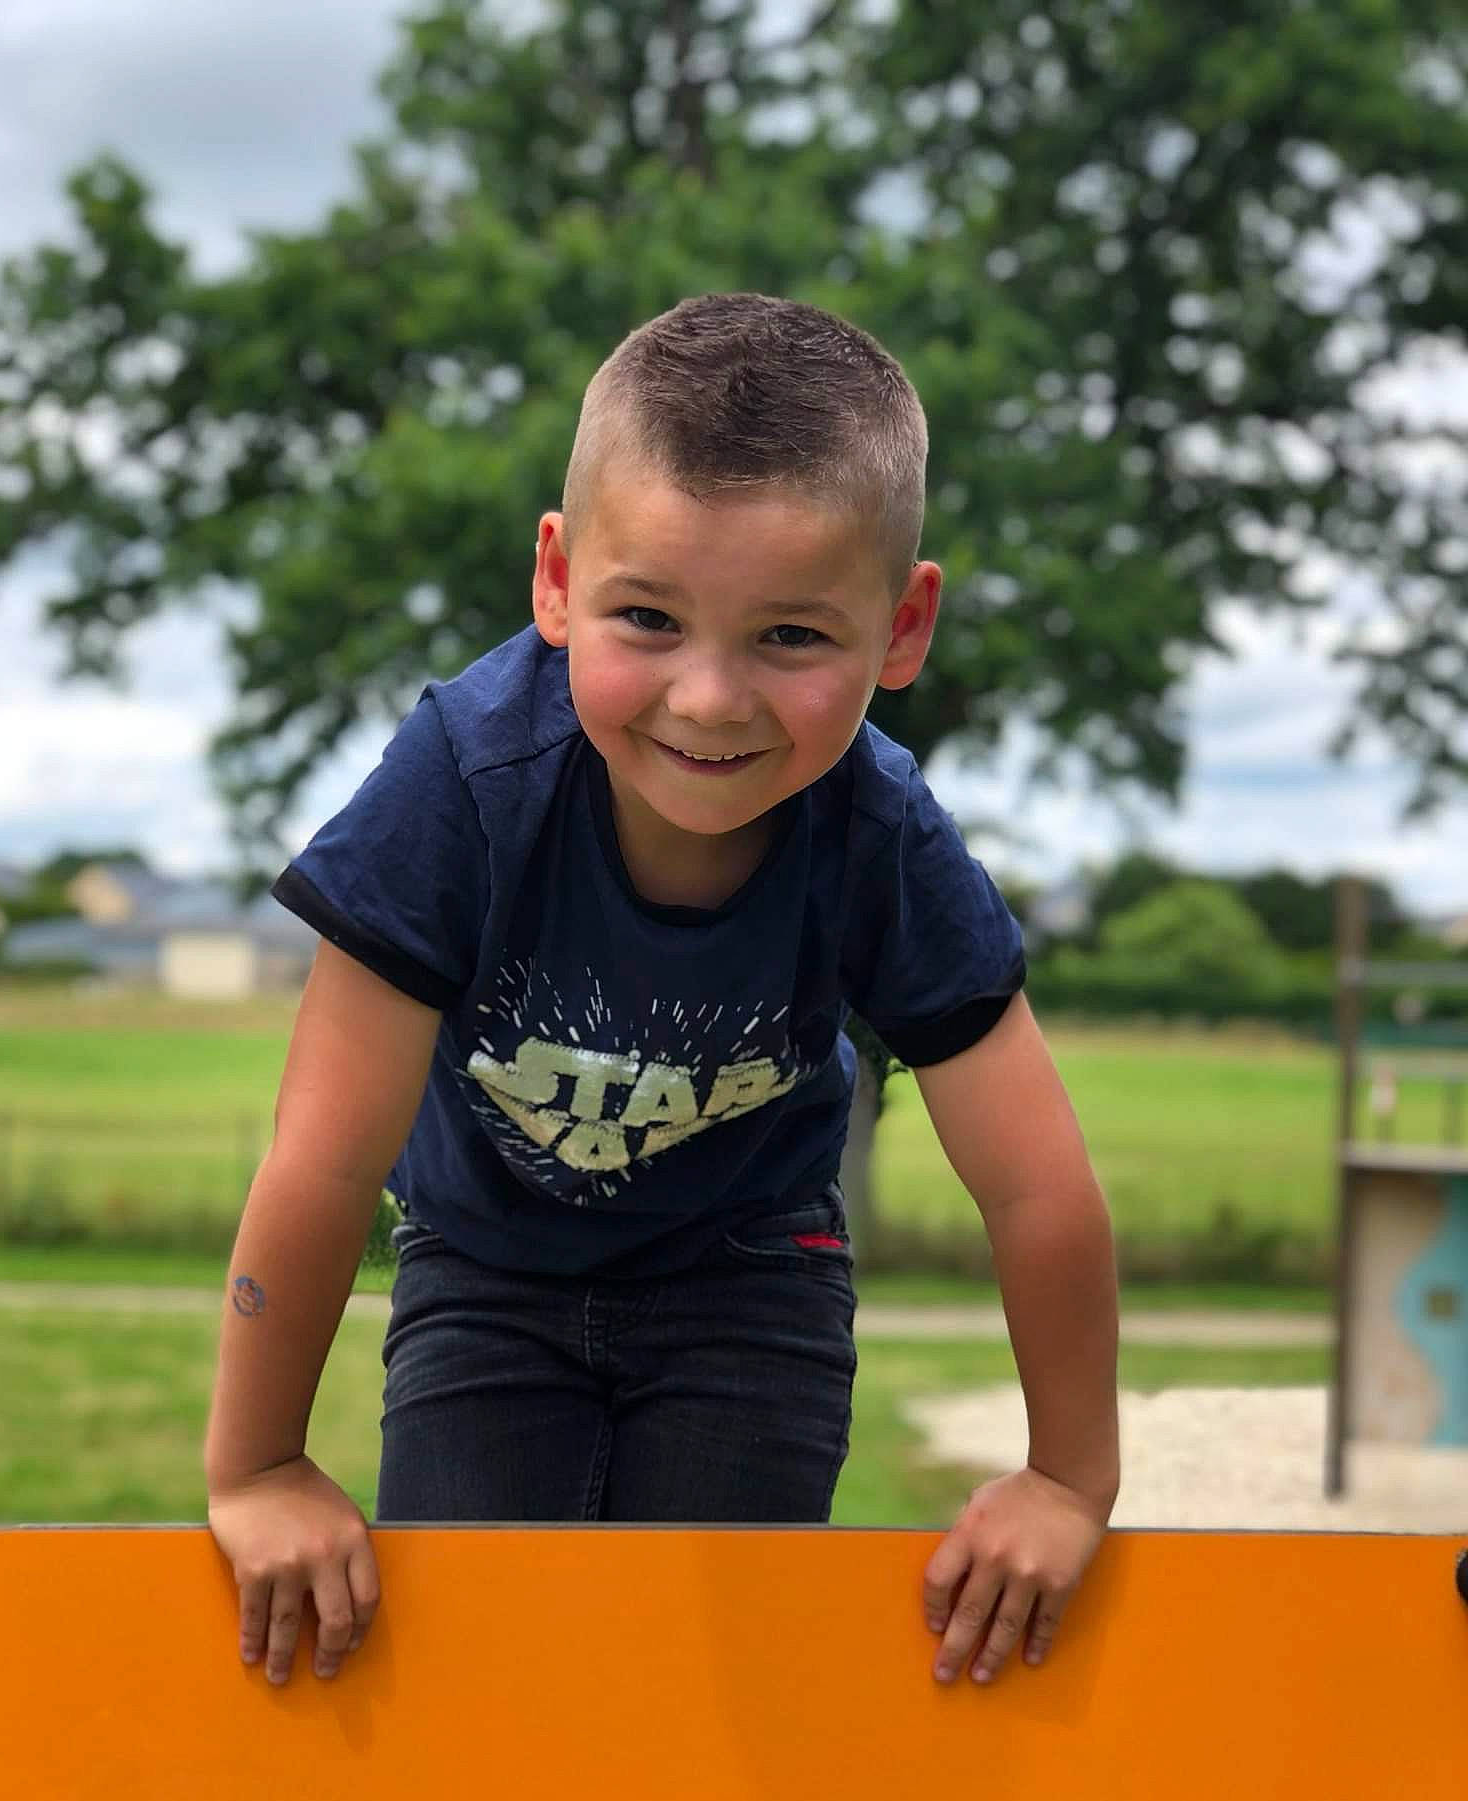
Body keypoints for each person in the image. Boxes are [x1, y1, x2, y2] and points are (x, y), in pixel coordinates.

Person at [204, 291, 1120, 1695]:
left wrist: (1066, 1475)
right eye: (648, 617)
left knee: (711, 1701)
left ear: (903, 627)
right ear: (557, 582)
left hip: (752, 1276)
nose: (708, 698)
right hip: (485, 1269)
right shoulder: (464, 783)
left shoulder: (878, 835)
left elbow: (1037, 1185)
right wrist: (260, 1465)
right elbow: (324, 1158)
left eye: (791, 637)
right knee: (475, 1685)